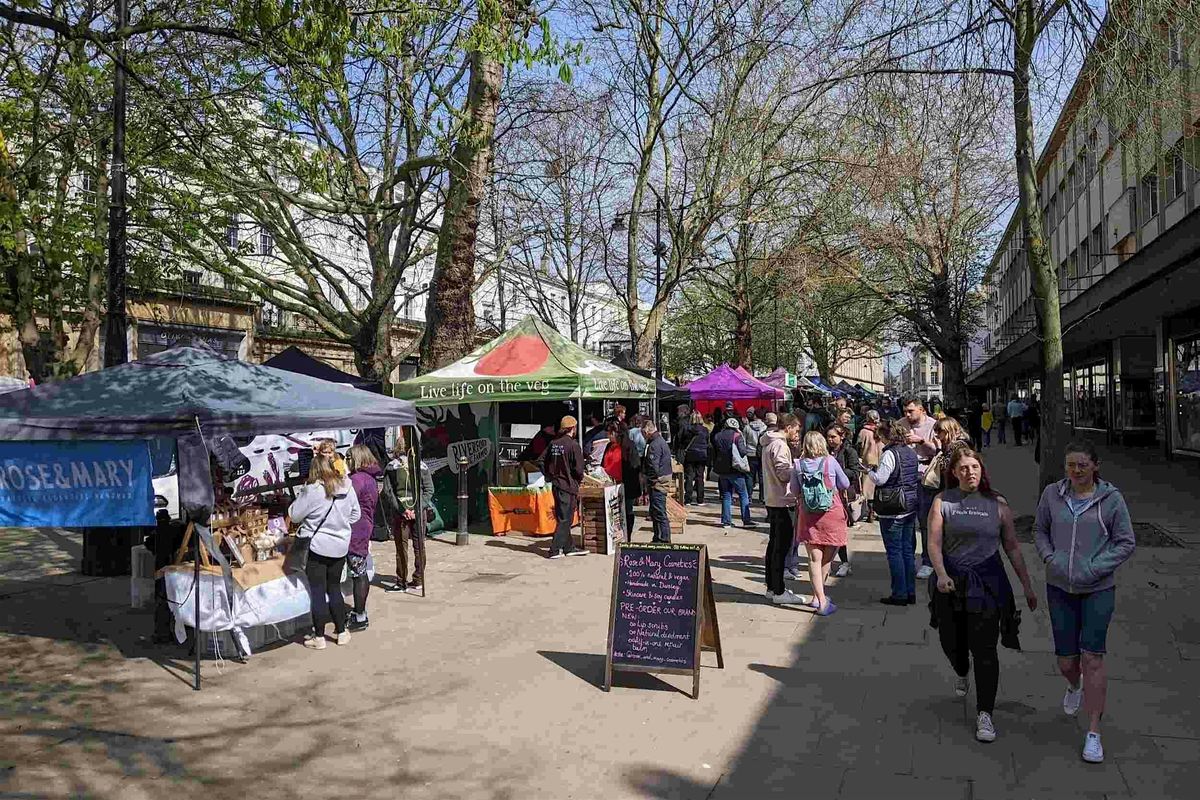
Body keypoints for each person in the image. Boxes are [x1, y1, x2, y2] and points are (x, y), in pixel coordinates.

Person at [1035, 440, 1136, 764]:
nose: (1076, 471)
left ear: (1095, 465)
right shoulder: (1053, 494)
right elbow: (1039, 530)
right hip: (1060, 587)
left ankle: (1093, 732)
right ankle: (1073, 684)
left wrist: (1094, 567)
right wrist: (1050, 557)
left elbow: (1125, 542)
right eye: (1070, 465)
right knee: (1067, 661)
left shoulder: (1112, 499)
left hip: (1098, 589)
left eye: (1082, 465)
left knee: (1093, 657)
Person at [929, 447, 1037, 744]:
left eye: (974, 467)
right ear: (954, 472)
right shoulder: (942, 502)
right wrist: (940, 574)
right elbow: (934, 543)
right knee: (951, 642)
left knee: (985, 649)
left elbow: (1012, 546)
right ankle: (962, 670)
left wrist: (1026, 585)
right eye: (963, 468)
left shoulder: (998, 504)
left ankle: (985, 713)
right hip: (951, 581)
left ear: (982, 469)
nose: (970, 472)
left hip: (988, 583)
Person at [290, 440, 362, 649]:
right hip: (339, 546)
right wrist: (339, 523)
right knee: (334, 588)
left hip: (317, 546)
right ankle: (341, 632)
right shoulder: (347, 487)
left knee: (318, 591)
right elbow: (355, 515)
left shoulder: (313, 490)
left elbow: (294, 515)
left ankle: (319, 637)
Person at [790, 431, 851, 616]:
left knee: (813, 560)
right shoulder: (830, 461)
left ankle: (818, 597)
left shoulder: (798, 465)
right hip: (832, 514)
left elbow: (794, 490)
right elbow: (846, 483)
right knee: (827, 558)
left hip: (809, 516)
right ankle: (822, 601)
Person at [866, 419, 921, 606]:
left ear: (886, 436)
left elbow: (880, 479)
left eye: (880, 436)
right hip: (910, 504)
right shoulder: (911, 452)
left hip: (893, 507)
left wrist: (869, 471)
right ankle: (910, 591)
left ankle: (899, 594)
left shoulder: (890, 454)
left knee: (894, 552)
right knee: (907, 551)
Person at [762, 414, 806, 604]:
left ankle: (772, 587)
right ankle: (779, 591)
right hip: (782, 500)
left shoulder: (768, 442)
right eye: (796, 430)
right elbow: (783, 474)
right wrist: (798, 466)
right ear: (788, 427)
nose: (796, 434)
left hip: (773, 498)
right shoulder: (779, 444)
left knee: (774, 545)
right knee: (781, 546)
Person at [385, 433, 432, 594]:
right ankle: (418, 580)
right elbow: (429, 490)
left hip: (402, 513)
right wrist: (416, 510)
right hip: (416, 512)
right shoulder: (421, 466)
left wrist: (403, 510)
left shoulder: (392, 466)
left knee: (402, 548)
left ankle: (402, 581)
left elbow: (388, 492)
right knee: (419, 547)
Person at [538, 415, 588, 559]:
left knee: (563, 517)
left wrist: (549, 475)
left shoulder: (553, 443)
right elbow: (579, 470)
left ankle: (569, 547)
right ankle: (554, 549)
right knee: (565, 519)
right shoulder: (573, 445)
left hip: (556, 485)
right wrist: (578, 480)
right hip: (568, 486)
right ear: (573, 428)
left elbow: (540, 460)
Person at [346, 444, 383, 632]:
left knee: (358, 573)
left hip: (355, 530)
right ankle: (360, 612)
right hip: (365, 527)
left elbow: (345, 502)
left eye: (348, 458)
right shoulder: (370, 478)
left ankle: (360, 615)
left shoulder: (357, 480)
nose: (346, 462)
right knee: (360, 571)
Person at [902, 398, 939, 579]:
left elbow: (938, 450)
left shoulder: (933, 425)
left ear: (921, 410)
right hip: (905, 477)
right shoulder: (901, 424)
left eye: (911, 411)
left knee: (925, 522)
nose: (907, 415)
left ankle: (927, 561)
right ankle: (908, 560)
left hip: (926, 477)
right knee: (907, 520)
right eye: (905, 411)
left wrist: (921, 441)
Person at [826, 425, 862, 577]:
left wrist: (835, 471)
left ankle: (844, 562)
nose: (830, 440)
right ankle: (831, 561)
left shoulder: (849, 451)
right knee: (830, 530)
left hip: (844, 494)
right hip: (828, 494)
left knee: (839, 530)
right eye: (828, 437)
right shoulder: (826, 450)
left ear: (842, 436)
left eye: (833, 437)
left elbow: (854, 471)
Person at [712, 417, 753, 528]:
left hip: (722, 470)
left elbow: (714, 451)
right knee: (743, 494)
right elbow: (743, 451)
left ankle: (726, 522)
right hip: (735, 469)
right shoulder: (737, 436)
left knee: (726, 495)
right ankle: (746, 520)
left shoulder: (717, 436)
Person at [642, 419, 674, 543]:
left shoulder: (655, 445)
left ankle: (664, 539)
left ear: (647, 431)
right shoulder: (659, 441)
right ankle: (658, 537)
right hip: (660, 480)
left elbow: (653, 467)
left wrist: (650, 480)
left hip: (658, 482)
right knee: (656, 511)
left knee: (659, 511)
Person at [856, 410, 884, 524]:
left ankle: (870, 512)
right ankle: (877, 511)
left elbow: (859, 445)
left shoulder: (864, 431)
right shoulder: (882, 431)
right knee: (878, 488)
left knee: (868, 490)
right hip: (881, 462)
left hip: (868, 463)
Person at [621, 415, 644, 540]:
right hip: (635, 470)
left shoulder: (628, 442)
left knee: (628, 509)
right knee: (628, 508)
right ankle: (627, 535)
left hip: (628, 481)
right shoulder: (636, 435)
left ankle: (627, 534)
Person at [678, 411, 710, 505]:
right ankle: (700, 499)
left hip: (690, 454)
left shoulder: (686, 429)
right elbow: (708, 442)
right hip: (702, 455)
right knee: (700, 477)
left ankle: (688, 499)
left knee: (689, 476)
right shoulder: (705, 430)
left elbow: (680, 440)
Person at [744, 408, 768, 503]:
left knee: (750, 476)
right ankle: (762, 497)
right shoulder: (765, 428)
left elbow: (744, 441)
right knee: (762, 476)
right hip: (761, 454)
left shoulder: (747, 427)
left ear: (754, 416)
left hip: (750, 454)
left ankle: (749, 496)